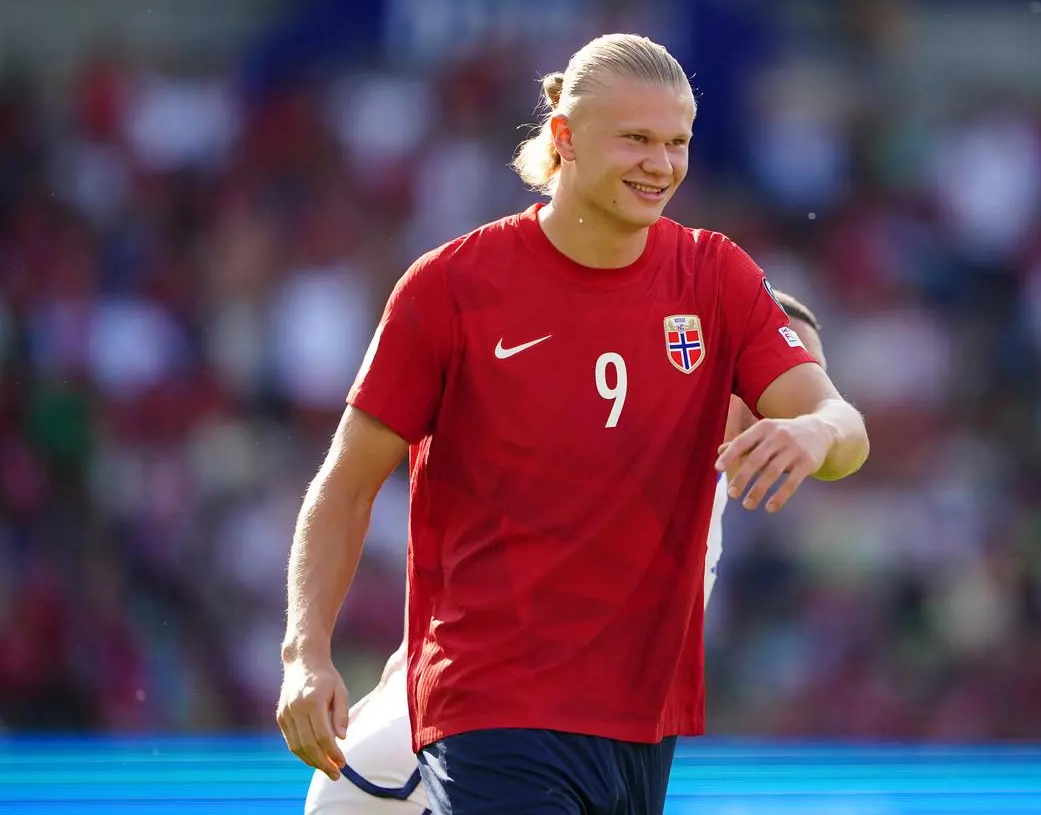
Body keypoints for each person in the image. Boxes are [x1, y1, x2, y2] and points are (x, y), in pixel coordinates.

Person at [276, 33, 869, 815]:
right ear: (563, 136)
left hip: (638, 723)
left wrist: (815, 432)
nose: (661, 164)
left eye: (678, 143)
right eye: (636, 139)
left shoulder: (716, 277)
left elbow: (840, 422)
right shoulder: (452, 286)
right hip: (488, 701)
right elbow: (345, 484)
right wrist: (305, 653)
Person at [301, 292, 828, 814]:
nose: (790, 413)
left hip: (480, 762)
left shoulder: (705, 486)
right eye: (781, 379)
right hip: (418, 774)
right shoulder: (639, 444)